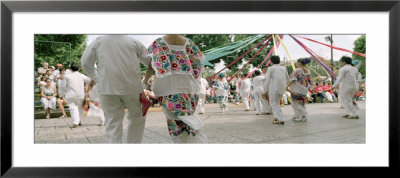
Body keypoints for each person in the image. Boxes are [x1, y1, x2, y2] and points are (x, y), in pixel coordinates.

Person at [81, 35, 153, 143]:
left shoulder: (99, 41)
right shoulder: (133, 42)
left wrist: (99, 79)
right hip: (132, 87)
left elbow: (85, 63)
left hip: (107, 88)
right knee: (136, 119)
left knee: (112, 122)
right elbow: (151, 61)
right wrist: (145, 82)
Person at [147, 34, 207, 143]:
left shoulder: (158, 43)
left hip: (167, 88)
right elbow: (197, 67)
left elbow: (151, 64)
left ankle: (183, 142)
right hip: (188, 88)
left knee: (174, 121)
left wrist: (146, 81)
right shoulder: (190, 44)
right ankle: (193, 141)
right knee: (188, 117)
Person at [59, 62, 91, 128]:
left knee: (73, 108)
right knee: (80, 108)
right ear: (79, 68)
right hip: (80, 94)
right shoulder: (82, 75)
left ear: (70, 68)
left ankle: (76, 122)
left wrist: (61, 95)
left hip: (70, 95)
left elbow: (62, 87)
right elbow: (90, 81)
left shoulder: (67, 76)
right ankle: (79, 121)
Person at [263, 56, 290, 125]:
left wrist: (264, 91)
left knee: (274, 104)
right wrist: (287, 87)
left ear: (271, 61)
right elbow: (288, 79)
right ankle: (276, 118)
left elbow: (267, 80)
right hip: (282, 88)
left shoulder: (271, 68)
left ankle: (281, 119)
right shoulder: (283, 68)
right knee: (277, 104)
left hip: (273, 88)